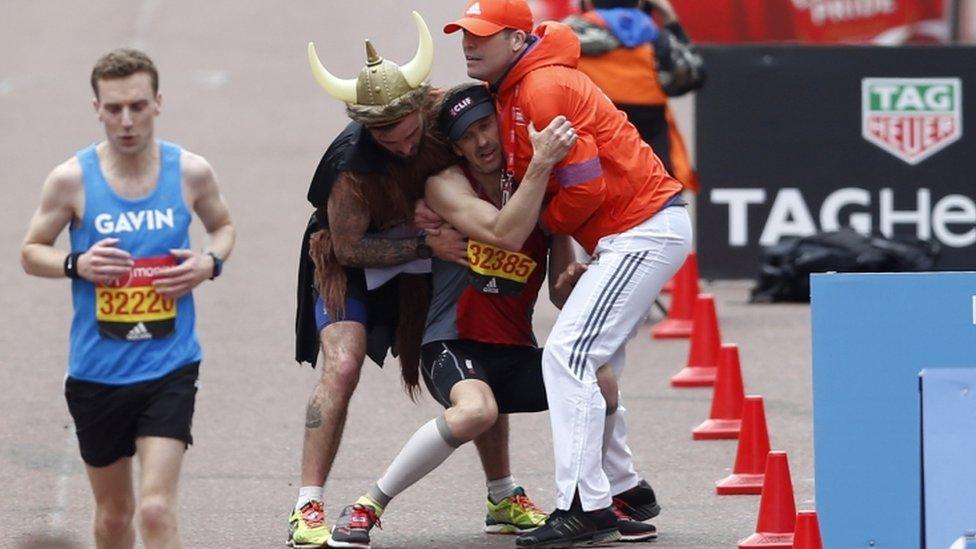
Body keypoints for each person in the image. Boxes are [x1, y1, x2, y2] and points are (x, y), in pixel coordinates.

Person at [444, 1, 693, 546]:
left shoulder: (540, 90)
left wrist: (545, 226)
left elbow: (584, 188)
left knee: (567, 356)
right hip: (635, 231)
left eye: (482, 36)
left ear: (516, 40)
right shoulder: (518, 86)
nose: (468, 44)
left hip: (641, 230)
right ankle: (627, 490)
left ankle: (585, 505)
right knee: (588, 360)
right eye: (464, 34)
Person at [290, 13, 544, 547]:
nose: (403, 147)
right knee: (344, 362)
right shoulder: (349, 166)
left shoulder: (444, 110)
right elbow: (347, 246)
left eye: (409, 135)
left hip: (423, 260)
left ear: (419, 108)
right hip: (351, 264)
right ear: (364, 127)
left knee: (481, 343)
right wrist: (424, 240)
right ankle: (307, 506)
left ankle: (502, 494)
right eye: (387, 139)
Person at [20, 48, 235, 549]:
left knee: (156, 511)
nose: (126, 121)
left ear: (158, 102)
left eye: (137, 106)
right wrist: (77, 264)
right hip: (97, 373)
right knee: (116, 516)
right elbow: (31, 252)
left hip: (169, 365)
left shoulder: (190, 172)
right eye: (114, 109)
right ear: (96, 108)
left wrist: (209, 262)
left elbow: (222, 227)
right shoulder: (71, 180)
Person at [565, 0, 699, 191]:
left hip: (590, 171)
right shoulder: (657, 40)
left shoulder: (568, 37)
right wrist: (669, 18)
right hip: (653, 174)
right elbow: (693, 75)